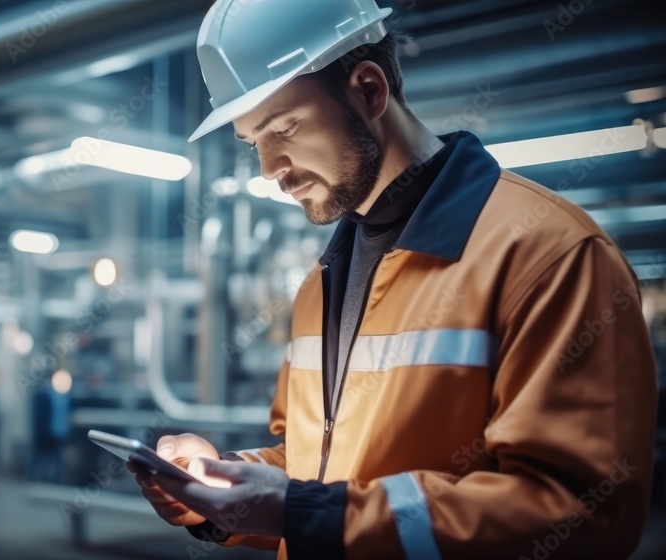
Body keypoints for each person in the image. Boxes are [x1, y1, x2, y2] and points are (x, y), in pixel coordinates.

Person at [130, 1, 657, 559]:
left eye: (282, 128)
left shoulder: (551, 257)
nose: (268, 167)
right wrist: (221, 483)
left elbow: (577, 513)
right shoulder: (321, 283)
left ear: (369, 90)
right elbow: (319, 469)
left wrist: (305, 511)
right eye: (251, 142)